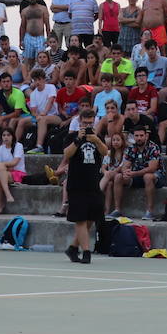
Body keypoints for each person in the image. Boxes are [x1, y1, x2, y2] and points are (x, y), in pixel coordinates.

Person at [63, 108, 107, 265]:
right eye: (85, 122)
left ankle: (73, 248)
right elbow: (67, 154)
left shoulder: (97, 137)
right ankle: (87, 252)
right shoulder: (71, 137)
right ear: (79, 122)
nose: (87, 125)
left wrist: (96, 140)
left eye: (90, 122)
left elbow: (105, 151)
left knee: (91, 219)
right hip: (76, 184)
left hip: (93, 183)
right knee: (80, 220)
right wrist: (77, 140)